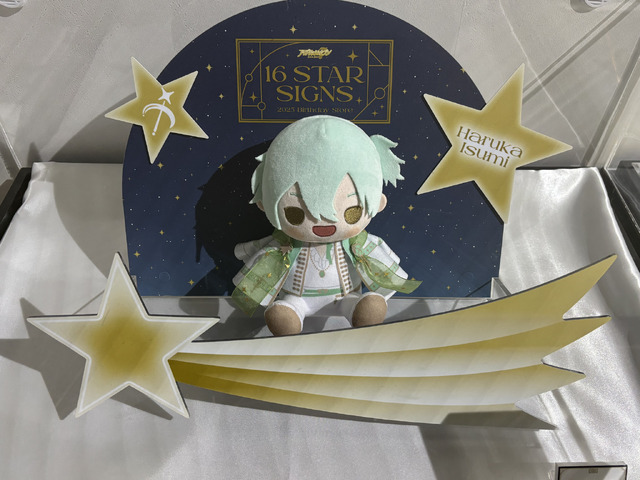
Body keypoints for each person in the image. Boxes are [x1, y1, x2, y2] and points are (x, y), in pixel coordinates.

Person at [232, 115, 420, 335]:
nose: (323, 223)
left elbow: (378, 254)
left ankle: (358, 309)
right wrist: (245, 250)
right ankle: (290, 314)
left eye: (351, 213)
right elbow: (262, 248)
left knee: (360, 304)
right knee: (286, 310)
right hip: (297, 298)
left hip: (346, 296)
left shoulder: (358, 243)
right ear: (265, 204)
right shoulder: (283, 244)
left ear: (378, 203)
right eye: (295, 214)